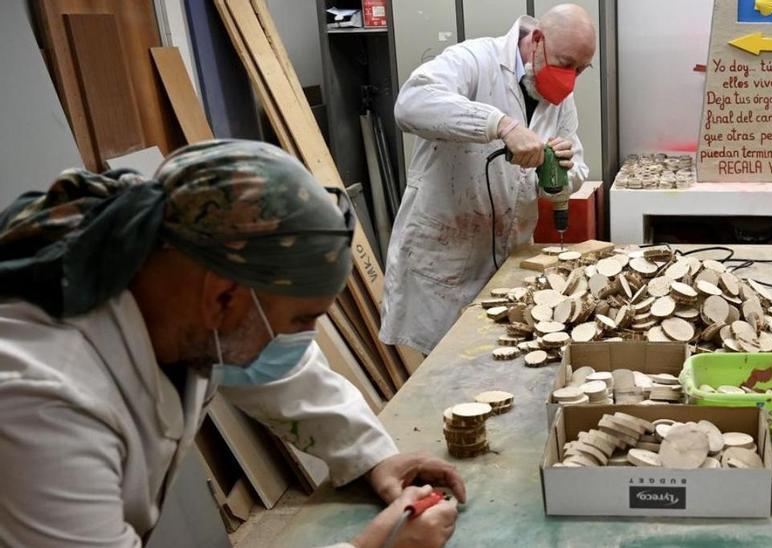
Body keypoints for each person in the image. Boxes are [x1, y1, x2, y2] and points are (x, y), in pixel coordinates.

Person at [0, 141, 465, 548]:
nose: (299, 342)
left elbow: (284, 373)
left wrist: (376, 458)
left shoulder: (177, 304)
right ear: (222, 296)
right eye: (299, 321)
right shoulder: (43, 402)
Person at [382, 4, 594, 354]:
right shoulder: (473, 60)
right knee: (444, 376)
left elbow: (574, 174)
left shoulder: (560, 99)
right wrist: (500, 125)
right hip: (447, 256)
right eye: (565, 63)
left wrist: (561, 173)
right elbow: (411, 103)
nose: (570, 78)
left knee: (497, 367)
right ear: (537, 40)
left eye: (581, 70)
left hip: (509, 260)